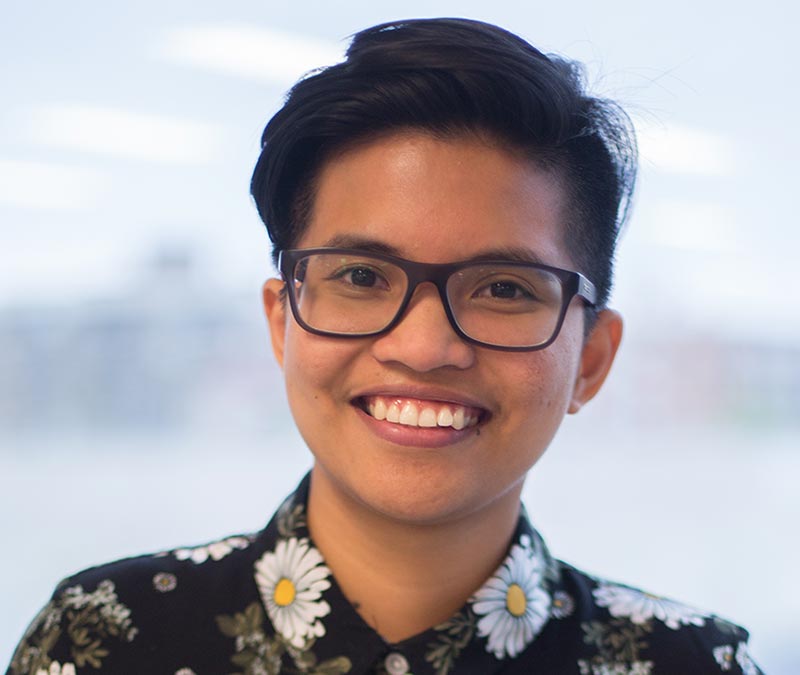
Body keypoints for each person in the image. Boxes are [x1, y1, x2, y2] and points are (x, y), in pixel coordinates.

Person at [7, 17, 762, 675]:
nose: (425, 345)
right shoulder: (103, 636)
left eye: (503, 288)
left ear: (591, 358)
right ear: (282, 322)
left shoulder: (693, 664)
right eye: (362, 275)